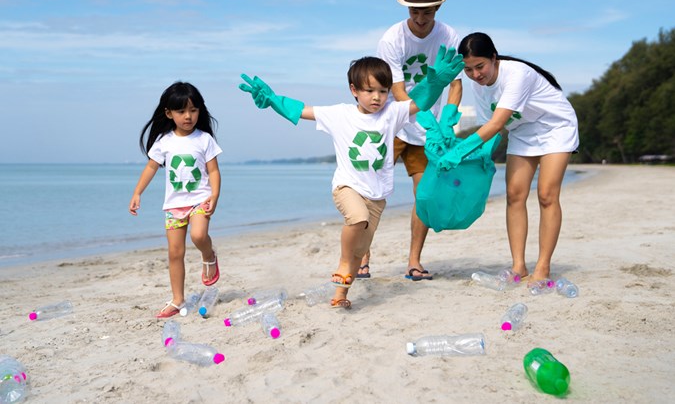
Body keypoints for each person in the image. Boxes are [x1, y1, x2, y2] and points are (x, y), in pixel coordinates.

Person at [239, 46, 463, 308]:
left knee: (359, 252)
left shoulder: (392, 113)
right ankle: (345, 261)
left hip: (377, 197)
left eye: (382, 91)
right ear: (354, 90)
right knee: (356, 220)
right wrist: (273, 100)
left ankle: (340, 296)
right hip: (347, 187)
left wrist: (436, 83)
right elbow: (301, 110)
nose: (377, 97)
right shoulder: (340, 114)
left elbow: (420, 102)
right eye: (369, 91)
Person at [447, 32, 579, 284]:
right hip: (522, 131)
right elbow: (489, 128)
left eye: (480, 66)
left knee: (546, 195)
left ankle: (543, 266)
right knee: (514, 194)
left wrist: (459, 151)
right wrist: (475, 159)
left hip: (555, 127)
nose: (476, 74)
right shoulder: (479, 86)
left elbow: (496, 124)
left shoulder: (517, 74)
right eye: (468, 69)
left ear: (494, 58)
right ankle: (519, 266)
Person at [364, 0, 463, 281]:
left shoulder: (449, 36)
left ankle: (414, 262)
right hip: (391, 122)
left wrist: (447, 118)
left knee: (425, 196)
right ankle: (361, 257)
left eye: (427, 13)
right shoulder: (392, 39)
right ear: (407, 7)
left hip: (427, 132)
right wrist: (421, 115)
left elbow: (456, 83)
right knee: (369, 190)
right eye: (415, 13)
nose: (420, 20)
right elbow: (395, 89)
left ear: (437, 8)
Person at [129, 81, 222, 318]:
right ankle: (178, 300)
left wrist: (214, 194)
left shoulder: (204, 139)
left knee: (199, 236)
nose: (188, 116)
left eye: (193, 110)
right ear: (169, 114)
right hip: (174, 205)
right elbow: (151, 168)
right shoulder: (164, 141)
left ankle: (209, 256)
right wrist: (138, 192)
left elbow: (213, 171)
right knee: (175, 253)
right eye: (181, 111)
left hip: (200, 199)